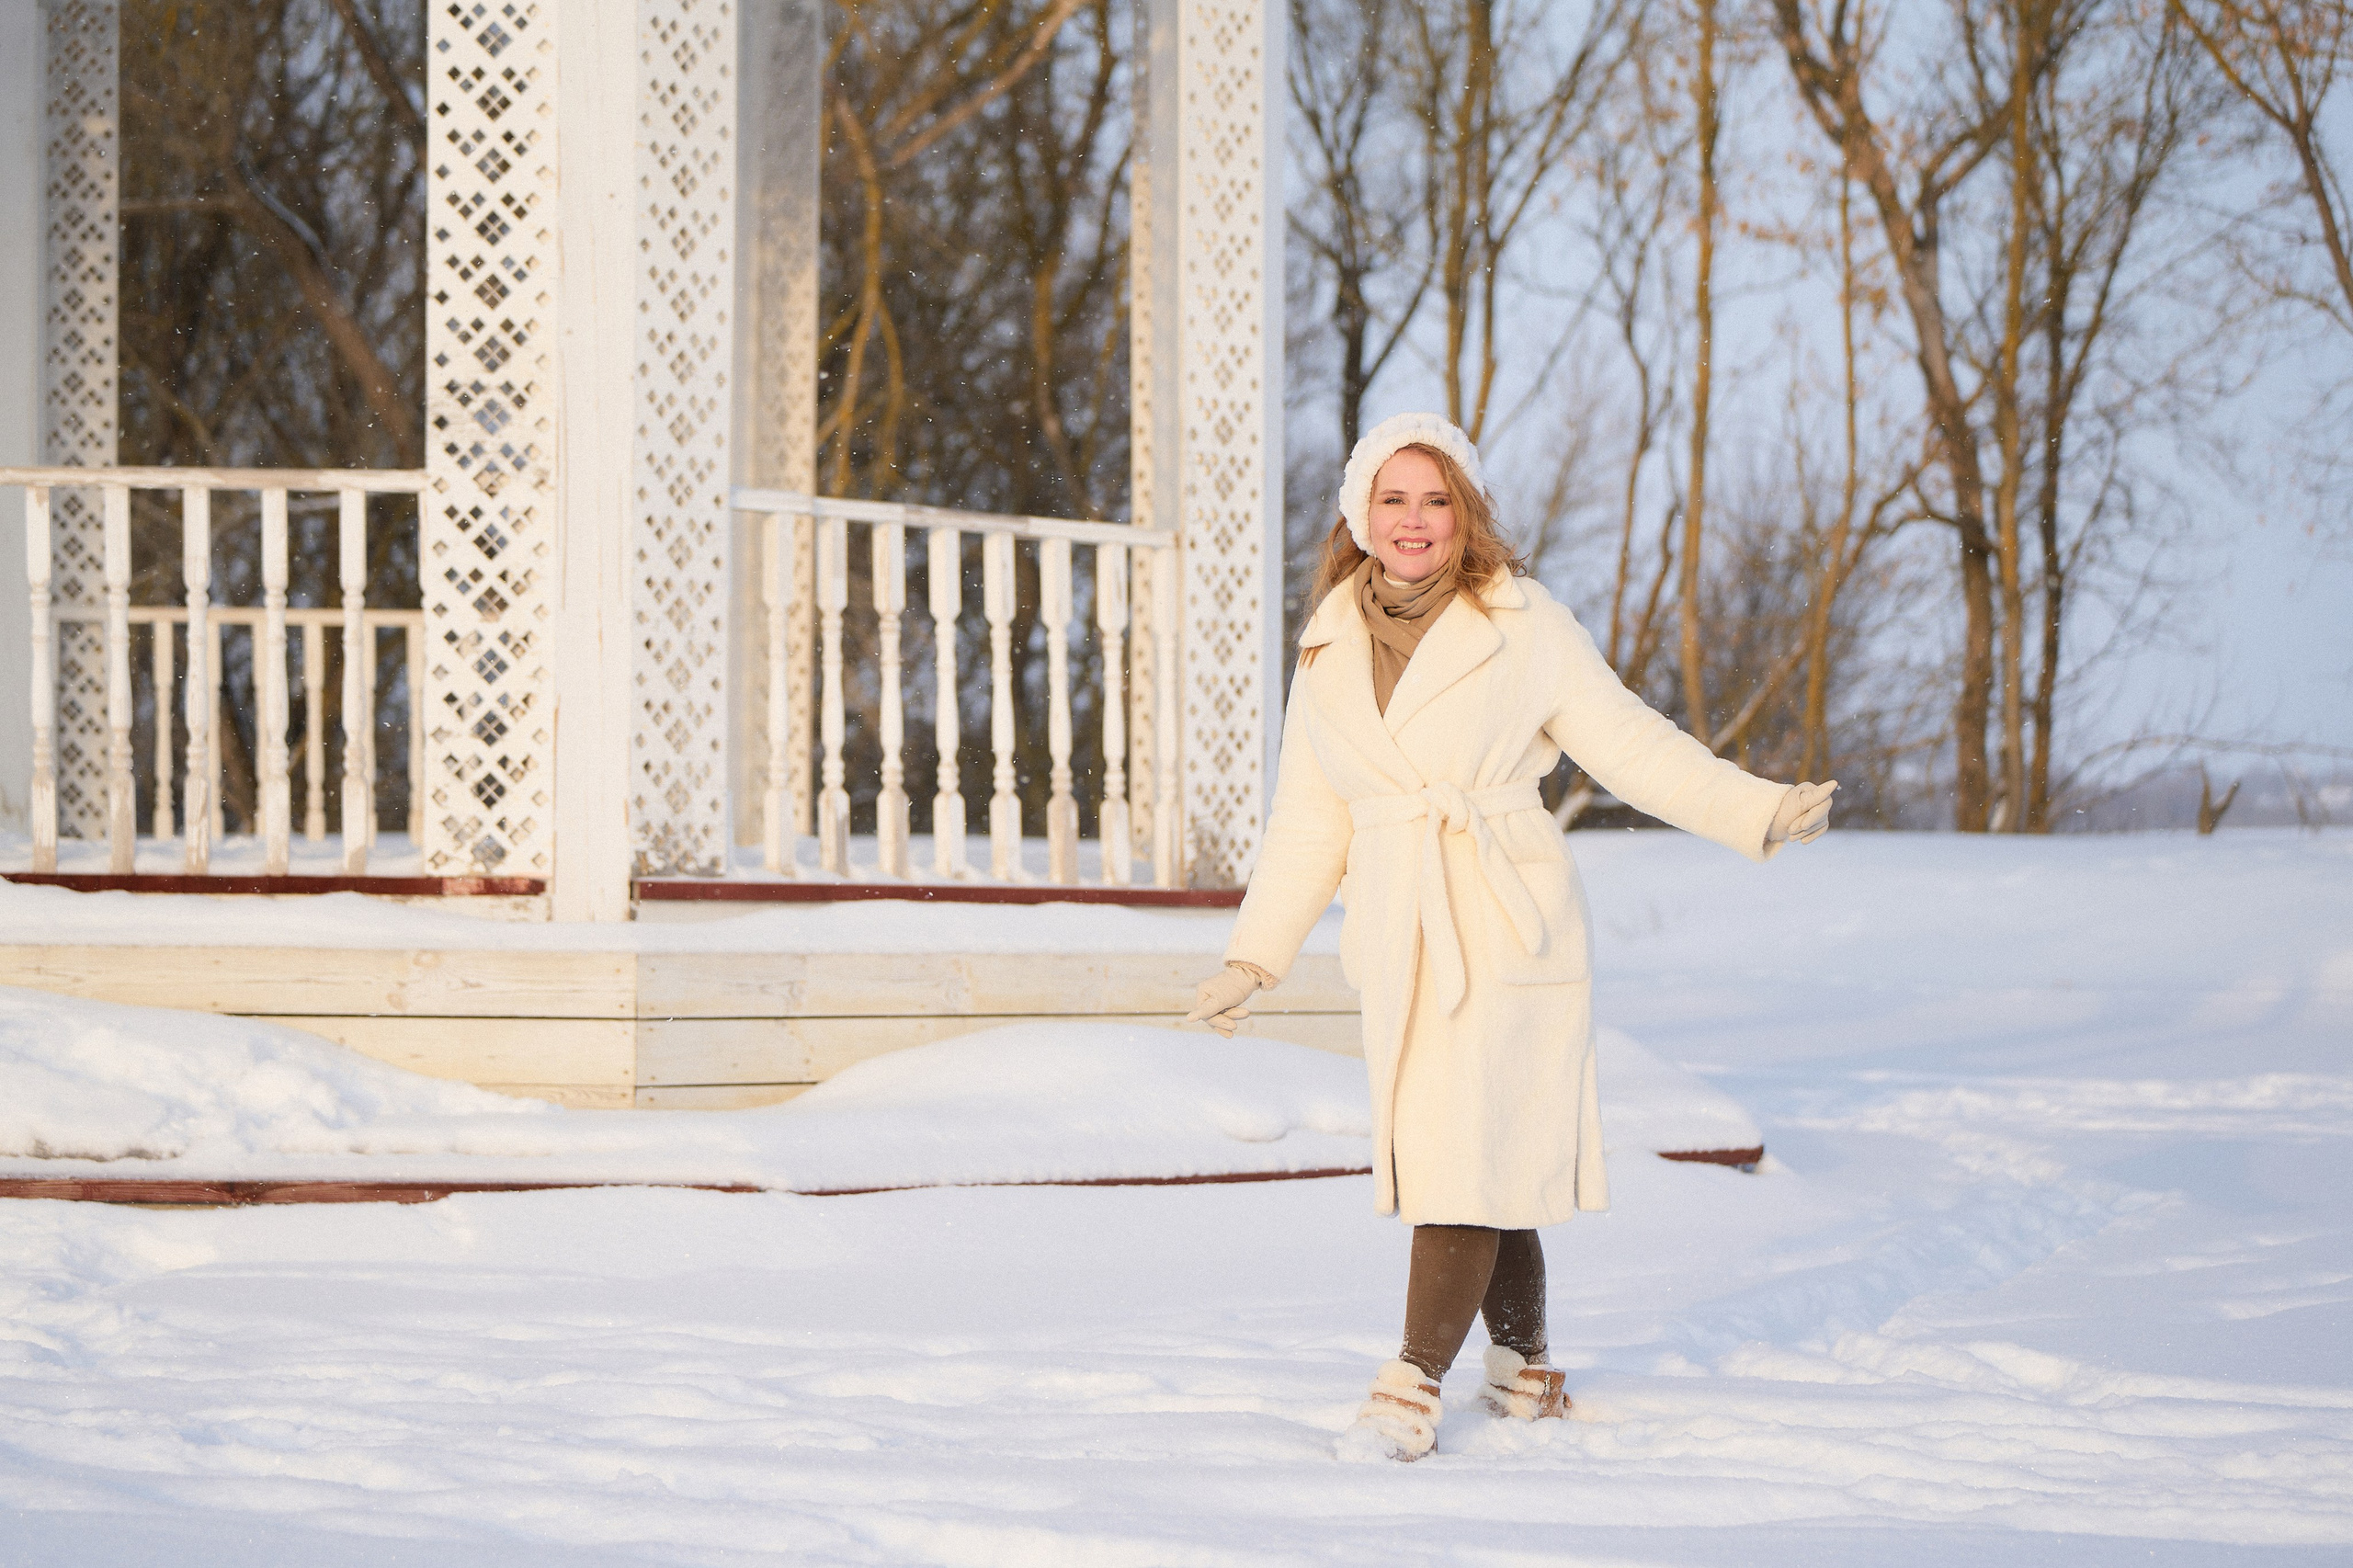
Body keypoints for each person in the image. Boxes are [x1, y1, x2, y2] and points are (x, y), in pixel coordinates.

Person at [1184, 412, 1835, 1463]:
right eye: (1392, 498)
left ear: (1464, 512)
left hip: (1502, 908)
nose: (1412, 520)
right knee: (1482, 1151)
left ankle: (1409, 1386)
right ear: (1359, 512)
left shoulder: (1520, 620)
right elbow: (1310, 817)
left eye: (1434, 498)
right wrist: (1252, 955)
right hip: (1401, 927)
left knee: (1461, 1150)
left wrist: (1751, 807)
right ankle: (1525, 1370)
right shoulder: (1326, 644)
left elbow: (1627, 741)